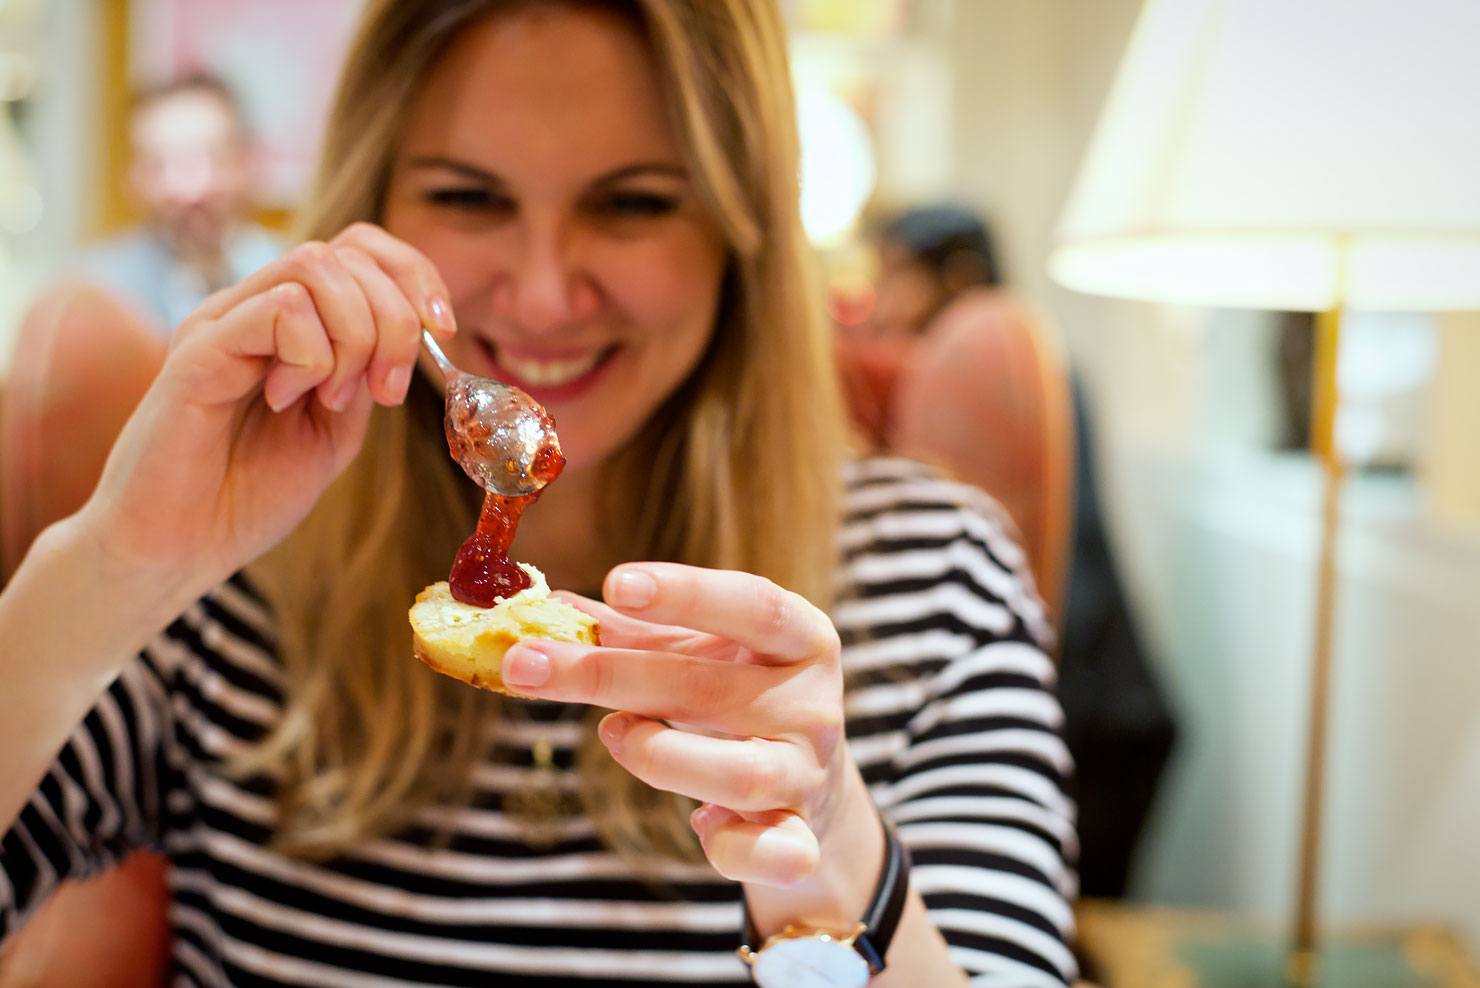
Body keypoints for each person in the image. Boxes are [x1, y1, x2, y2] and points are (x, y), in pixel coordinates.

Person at [0, 3, 1077, 986]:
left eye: (633, 203)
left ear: (739, 233)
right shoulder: (235, 577)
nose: (548, 290)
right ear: (372, 207)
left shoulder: (934, 578)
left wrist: (833, 847)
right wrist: (111, 569)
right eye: (470, 197)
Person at [66, 72, 282, 334]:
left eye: (213, 158)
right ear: (132, 178)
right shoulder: (94, 294)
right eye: (160, 165)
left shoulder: (292, 276)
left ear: (248, 163)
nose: (189, 189)